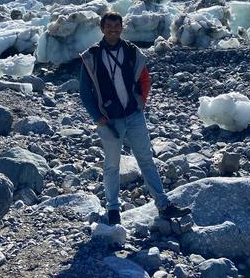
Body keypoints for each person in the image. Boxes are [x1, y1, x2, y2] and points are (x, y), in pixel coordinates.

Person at [79, 12, 191, 225]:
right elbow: (84, 92)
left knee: (146, 160)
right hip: (109, 120)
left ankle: (163, 205)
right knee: (112, 166)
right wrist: (97, 117)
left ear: (122, 28)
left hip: (133, 115)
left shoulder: (131, 51)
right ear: (102, 29)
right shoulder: (91, 56)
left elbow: (144, 77)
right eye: (109, 26)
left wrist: (141, 104)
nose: (113, 29)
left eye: (116, 25)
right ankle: (113, 210)